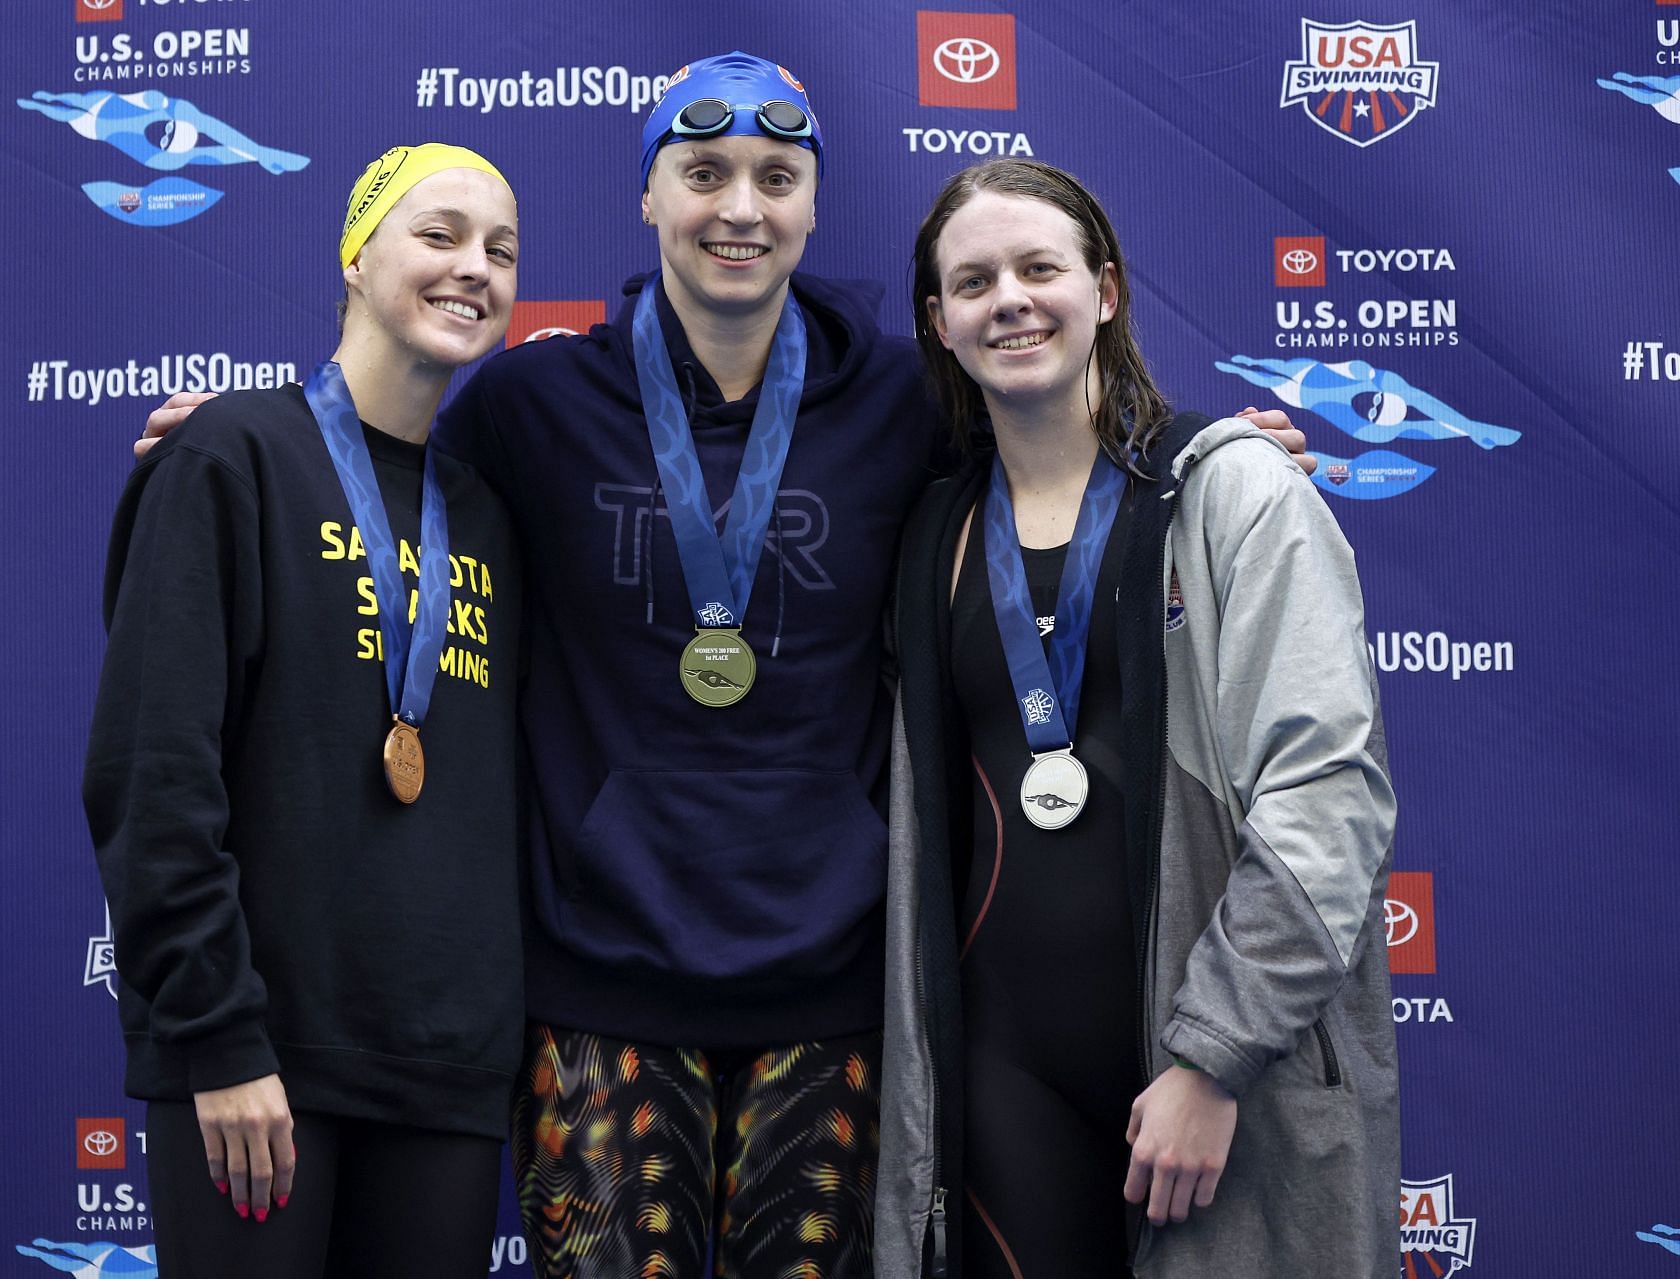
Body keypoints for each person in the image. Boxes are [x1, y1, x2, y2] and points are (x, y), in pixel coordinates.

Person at [137, 54, 1313, 1278]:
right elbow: (386, 452)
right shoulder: (533, 401)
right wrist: (256, 427)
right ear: (649, 200)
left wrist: (1192, 450)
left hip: (834, 991)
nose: (739, 208)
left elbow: (1051, 422)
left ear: (813, 205)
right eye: (702, 174)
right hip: (598, 989)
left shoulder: (906, 398)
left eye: (774, 178)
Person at [874, 159, 1399, 1278]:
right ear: (940, 322)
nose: (1009, 298)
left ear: (1104, 291)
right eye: (974, 281)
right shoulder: (931, 534)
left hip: (1223, 1069)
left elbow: (1328, 796)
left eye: (1038, 268)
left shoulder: (1236, 494)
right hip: (1003, 1079)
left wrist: (1213, 1060)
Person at [83, 142, 524, 1278]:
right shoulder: (234, 456)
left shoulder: (489, 515)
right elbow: (153, 772)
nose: (473, 267)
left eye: (501, 249)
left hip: (443, 1076)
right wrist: (215, 1039)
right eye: (438, 235)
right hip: (259, 1062)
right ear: (356, 256)